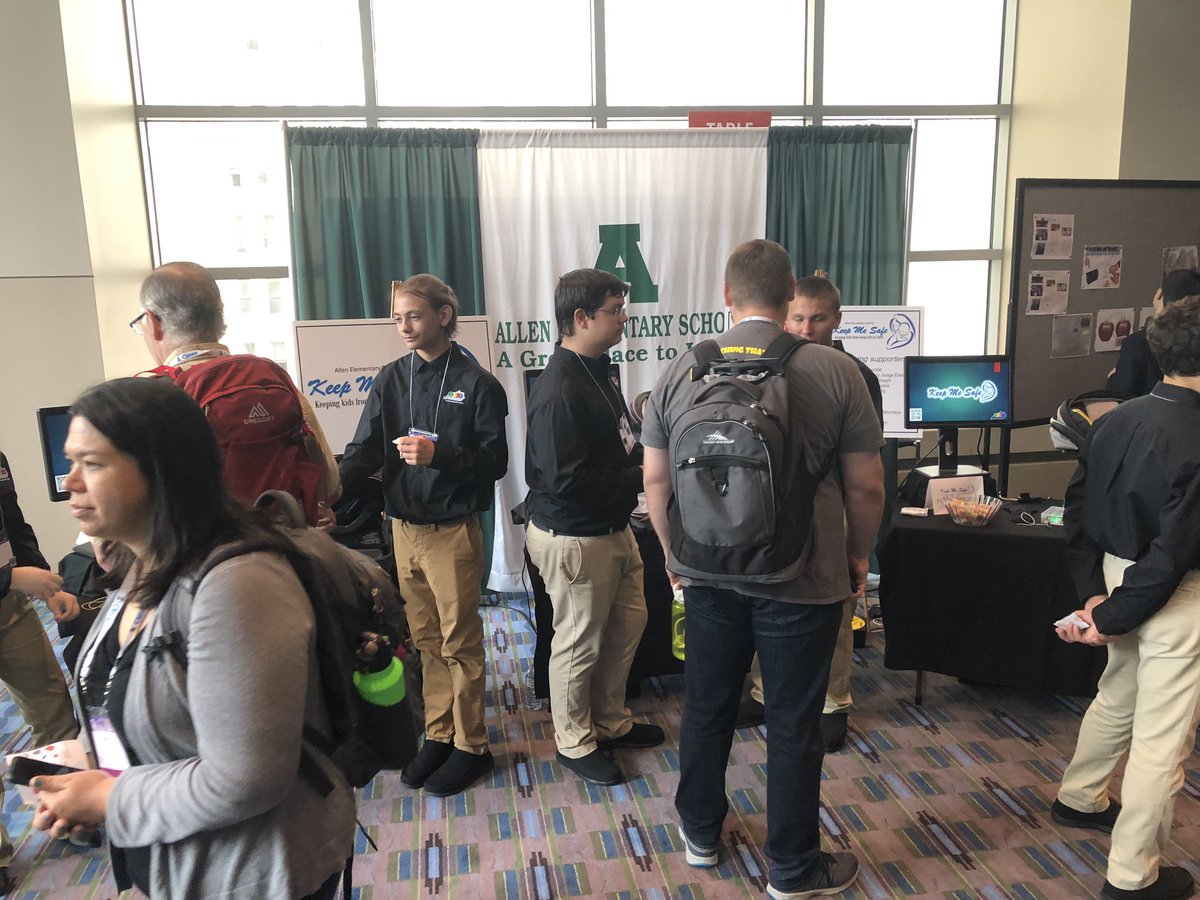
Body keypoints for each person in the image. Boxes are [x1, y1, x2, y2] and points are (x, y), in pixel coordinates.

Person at [29, 377, 356, 899]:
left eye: (92, 463)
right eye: (71, 461)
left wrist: (109, 799)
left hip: (255, 872)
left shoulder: (238, 585)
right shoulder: (145, 563)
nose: (69, 481)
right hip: (182, 856)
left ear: (160, 469)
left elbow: (245, 779)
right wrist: (86, 769)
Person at [641, 240, 884, 898]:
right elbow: (865, 487)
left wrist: (673, 559)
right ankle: (793, 868)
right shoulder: (838, 374)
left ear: (728, 296)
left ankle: (698, 834)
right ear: (788, 299)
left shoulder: (679, 371)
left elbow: (657, 483)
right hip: (804, 579)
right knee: (794, 724)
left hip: (708, 576)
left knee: (708, 708)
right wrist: (859, 554)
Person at [1054, 294, 1200, 900]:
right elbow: (1174, 553)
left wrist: (1095, 598)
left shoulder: (1114, 417)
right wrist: (1112, 612)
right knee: (1164, 738)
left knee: (1117, 693)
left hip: (1117, 577)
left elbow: (1078, 513)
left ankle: (1080, 796)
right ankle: (1132, 877)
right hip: (1175, 595)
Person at [339, 274, 508, 797]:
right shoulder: (391, 378)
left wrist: (442, 456)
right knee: (426, 641)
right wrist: (325, 496)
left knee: (460, 642)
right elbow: (365, 449)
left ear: (443, 315)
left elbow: (496, 463)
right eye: (397, 318)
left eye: (414, 316)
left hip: (452, 530)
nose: (404, 327)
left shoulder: (478, 384)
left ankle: (472, 746)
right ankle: (439, 732)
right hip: (403, 530)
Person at [524, 268, 664, 787]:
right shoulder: (560, 389)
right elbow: (568, 482)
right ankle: (573, 740)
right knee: (578, 642)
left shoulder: (600, 367)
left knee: (627, 626)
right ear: (581, 318)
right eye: (615, 310)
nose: (624, 317)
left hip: (611, 528)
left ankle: (608, 720)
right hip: (576, 536)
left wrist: (642, 456)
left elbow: (620, 436)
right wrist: (646, 476)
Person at [740, 274, 885, 750]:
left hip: (832, 507)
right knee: (769, 600)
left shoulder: (854, 374)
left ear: (836, 320)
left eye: (817, 318)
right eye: (797, 317)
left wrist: (854, 540)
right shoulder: (769, 366)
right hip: (773, 506)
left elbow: (864, 466)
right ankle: (764, 691)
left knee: (835, 609)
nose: (805, 328)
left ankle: (832, 700)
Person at [133, 261, 341, 525]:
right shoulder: (269, 374)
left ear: (152, 323)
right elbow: (330, 484)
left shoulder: (150, 393)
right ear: (221, 314)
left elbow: (123, 520)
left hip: (209, 556)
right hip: (288, 548)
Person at [0, 452, 80, 894]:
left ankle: (72, 813)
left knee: (53, 710)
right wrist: (11, 580)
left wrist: (48, 584)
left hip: (10, 610)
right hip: (8, 588)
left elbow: (14, 524)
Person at [1106, 268, 1200, 398]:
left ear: (1160, 295)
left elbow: (1117, 396)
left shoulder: (1139, 343)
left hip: (1149, 413)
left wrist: (1113, 378)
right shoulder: (1194, 338)